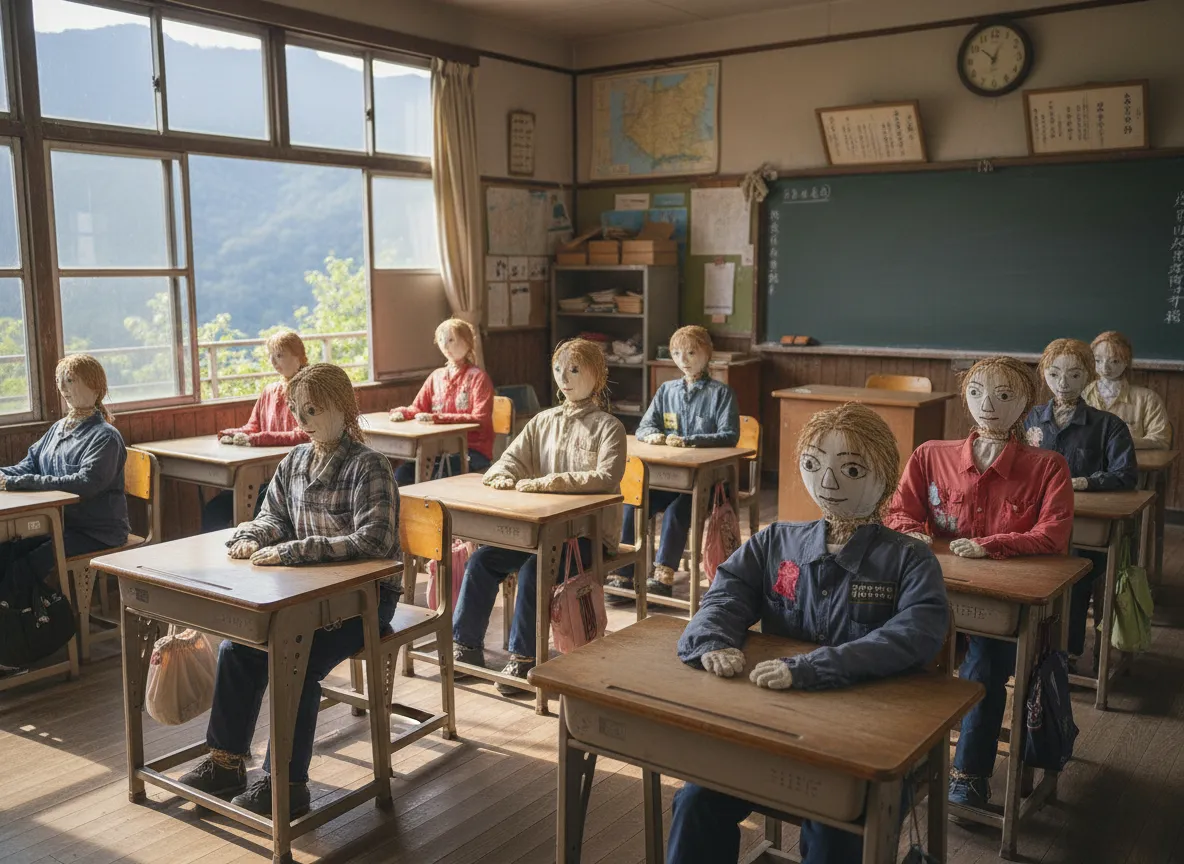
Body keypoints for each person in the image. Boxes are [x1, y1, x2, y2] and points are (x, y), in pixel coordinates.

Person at [671, 403, 948, 864]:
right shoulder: (776, 541)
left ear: (884, 474)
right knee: (696, 801)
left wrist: (813, 668)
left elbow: (916, 633)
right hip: (773, 727)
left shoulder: (909, 560)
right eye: (814, 466)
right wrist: (712, 640)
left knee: (837, 825)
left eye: (852, 469)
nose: (830, 483)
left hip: (865, 741)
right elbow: (727, 591)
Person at [178, 363, 399, 819]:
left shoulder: (369, 466)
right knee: (237, 650)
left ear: (343, 406)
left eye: (313, 409)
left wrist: (295, 551)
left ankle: (288, 784)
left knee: (293, 664)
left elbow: (373, 542)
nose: (303, 419)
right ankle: (226, 763)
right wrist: (255, 537)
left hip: (365, 599)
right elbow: (272, 515)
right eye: (297, 410)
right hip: (306, 595)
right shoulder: (295, 460)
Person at [886, 355, 1074, 811]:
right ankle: (898, 761)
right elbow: (897, 511)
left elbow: (1053, 533)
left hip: (1003, 599)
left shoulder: (1049, 466)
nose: (987, 404)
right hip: (936, 591)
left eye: (1004, 395)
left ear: (1026, 402)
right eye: (976, 392)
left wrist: (992, 544)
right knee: (898, 650)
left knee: (985, 666)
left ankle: (969, 773)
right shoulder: (932, 455)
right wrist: (912, 531)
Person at [451, 338, 625, 695]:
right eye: (559, 369)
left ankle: (526, 657)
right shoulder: (543, 421)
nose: (565, 377)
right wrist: (501, 474)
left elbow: (605, 477)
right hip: (539, 531)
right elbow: (512, 458)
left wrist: (549, 482)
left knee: (535, 569)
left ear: (598, 375)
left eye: (575, 369)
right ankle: (466, 646)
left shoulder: (609, 427)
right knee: (483, 561)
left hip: (584, 538)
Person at [1024, 337, 1137, 670]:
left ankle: (1067, 652)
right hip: (1032, 522)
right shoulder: (1029, 418)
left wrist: (1085, 482)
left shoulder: (1108, 425)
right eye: (1055, 373)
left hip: (1081, 525)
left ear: (1089, 375)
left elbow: (1126, 474)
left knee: (1075, 574)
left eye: (1074, 375)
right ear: (1044, 374)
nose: (1063, 383)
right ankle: (1026, 649)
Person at [608, 325, 739, 600]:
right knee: (634, 502)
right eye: (678, 353)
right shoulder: (667, 390)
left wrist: (691, 440)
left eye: (692, 352)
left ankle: (663, 575)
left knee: (679, 509)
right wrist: (653, 435)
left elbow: (730, 435)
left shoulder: (720, 393)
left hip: (707, 483)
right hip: (669, 476)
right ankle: (624, 572)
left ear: (707, 354)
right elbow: (644, 427)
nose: (684, 359)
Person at [203, 329, 310, 531]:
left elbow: (303, 434)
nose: (274, 361)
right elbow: (253, 426)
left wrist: (258, 439)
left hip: (293, 477)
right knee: (214, 510)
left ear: (299, 356)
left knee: (254, 509)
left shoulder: (308, 388)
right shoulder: (270, 390)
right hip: (262, 477)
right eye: (271, 356)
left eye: (280, 355)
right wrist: (232, 434)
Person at [388, 318, 494, 486]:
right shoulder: (436, 376)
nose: (446, 345)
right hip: (436, 451)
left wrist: (437, 418)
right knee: (401, 474)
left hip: (471, 450)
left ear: (467, 341)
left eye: (451, 340)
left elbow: (480, 417)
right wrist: (403, 413)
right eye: (442, 341)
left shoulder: (478, 378)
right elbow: (418, 407)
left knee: (437, 476)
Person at [1082, 330, 1171, 450]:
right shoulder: (1082, 395)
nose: (1105, 368)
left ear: (1126, 361)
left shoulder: (1147, 398)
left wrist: (1123, 443)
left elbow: (1161, 440)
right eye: (1098, 361)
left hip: (1132, 465)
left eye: (1114, 361)